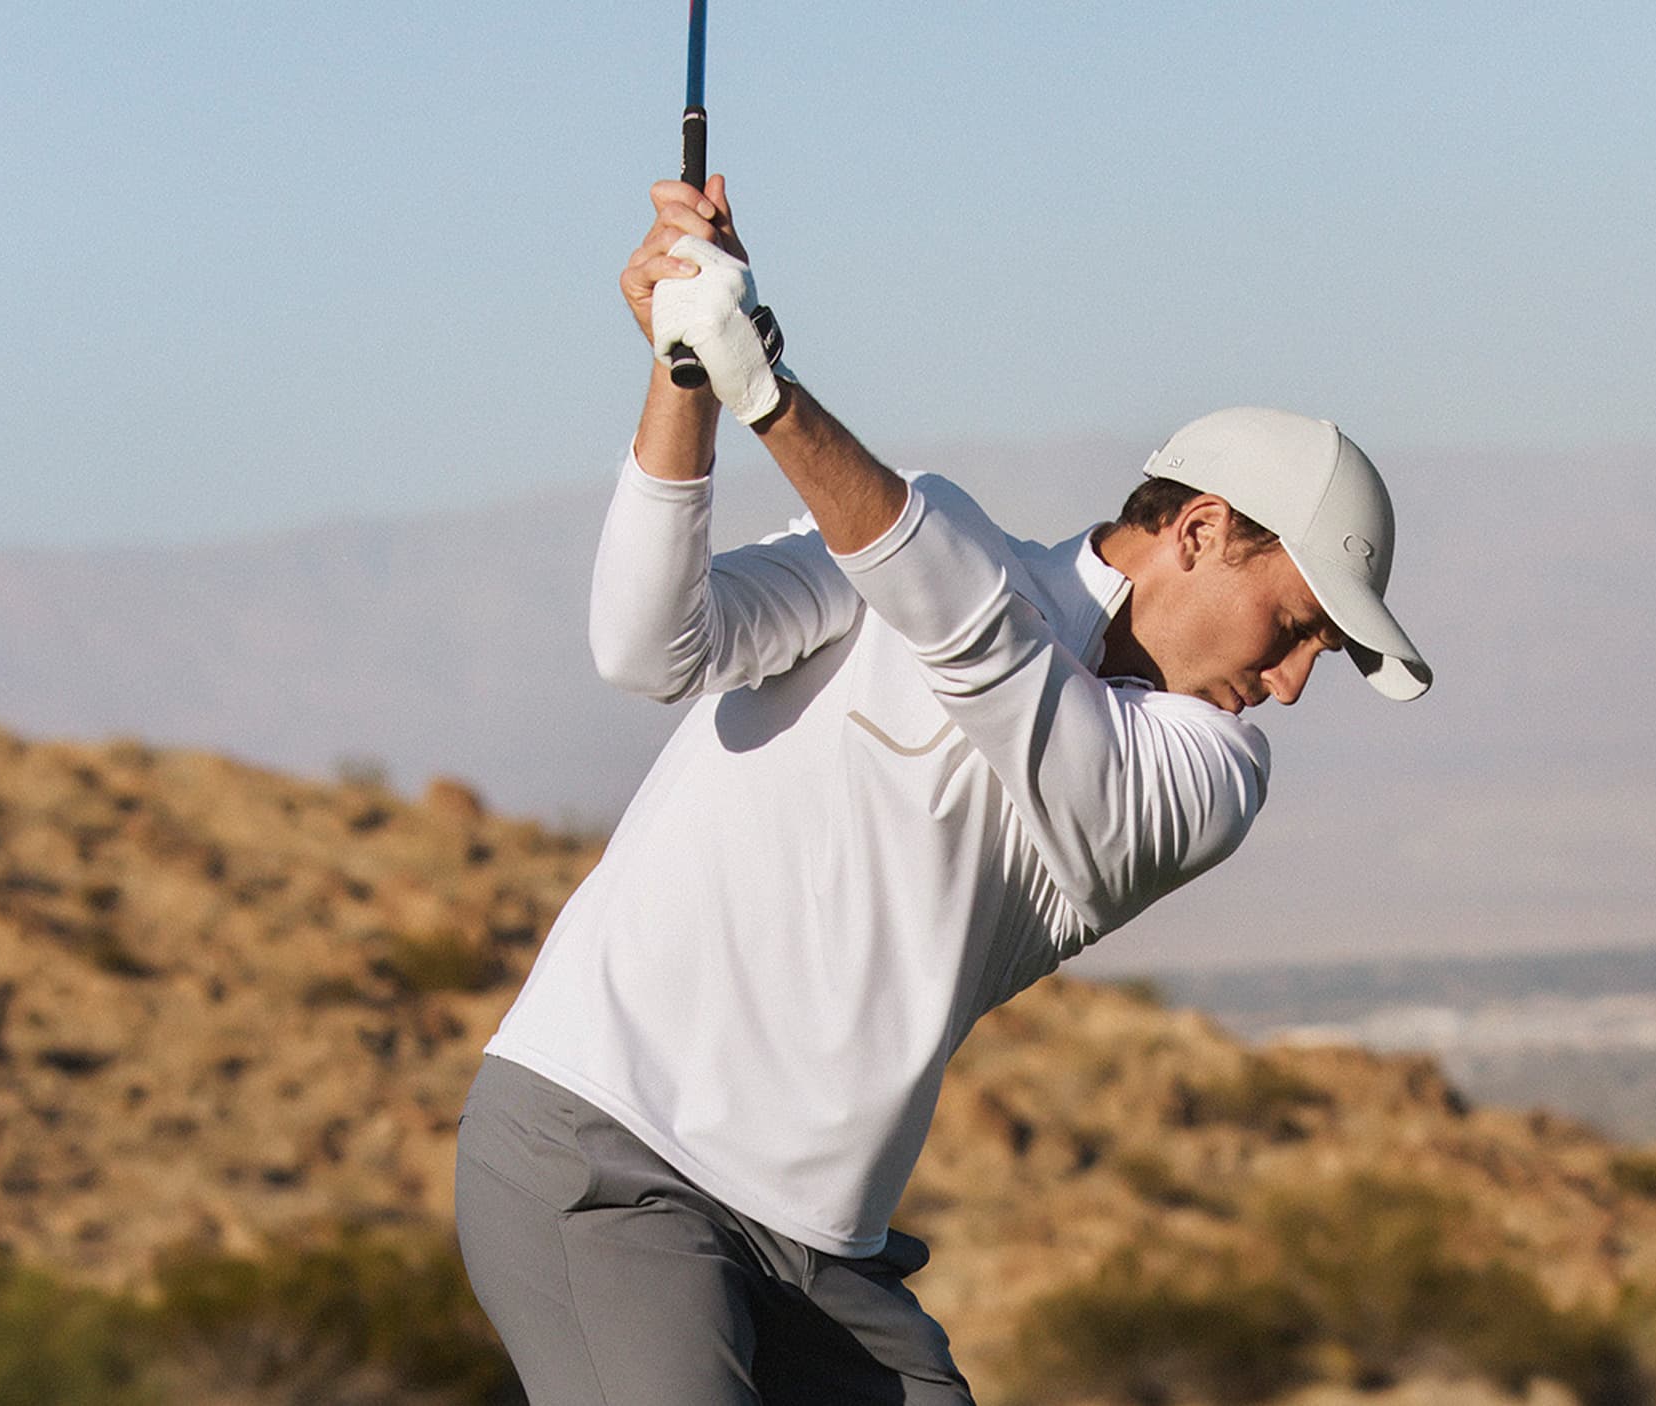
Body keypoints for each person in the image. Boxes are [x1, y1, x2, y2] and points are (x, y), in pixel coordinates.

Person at [453, 174, 1431, 1405]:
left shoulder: (1210, 772)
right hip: (605, 1146)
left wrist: (768, 389)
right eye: (1292, 626)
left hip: (818, 1253)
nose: (1290, 684)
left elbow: (987, 652)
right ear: (1197, 530)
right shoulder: (920, 548)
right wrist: (688, 369)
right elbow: (650, 646)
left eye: (1321, 656)